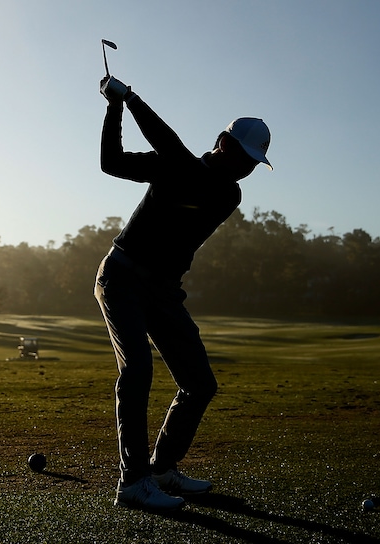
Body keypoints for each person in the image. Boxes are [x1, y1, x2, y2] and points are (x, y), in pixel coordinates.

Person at [94, 75, 272, 511]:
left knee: (199, 383)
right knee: (137, 371)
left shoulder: (227, 193)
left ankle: (162, 468)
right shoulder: (178, 166)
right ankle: (133, 482)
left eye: (254, 161)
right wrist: (116, 107)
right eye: (244, 155)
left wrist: (131, 99)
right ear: (222, 142)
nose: (248, 166)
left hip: (163, 291)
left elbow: (181, 161)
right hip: (121, 277)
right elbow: (111, 162)